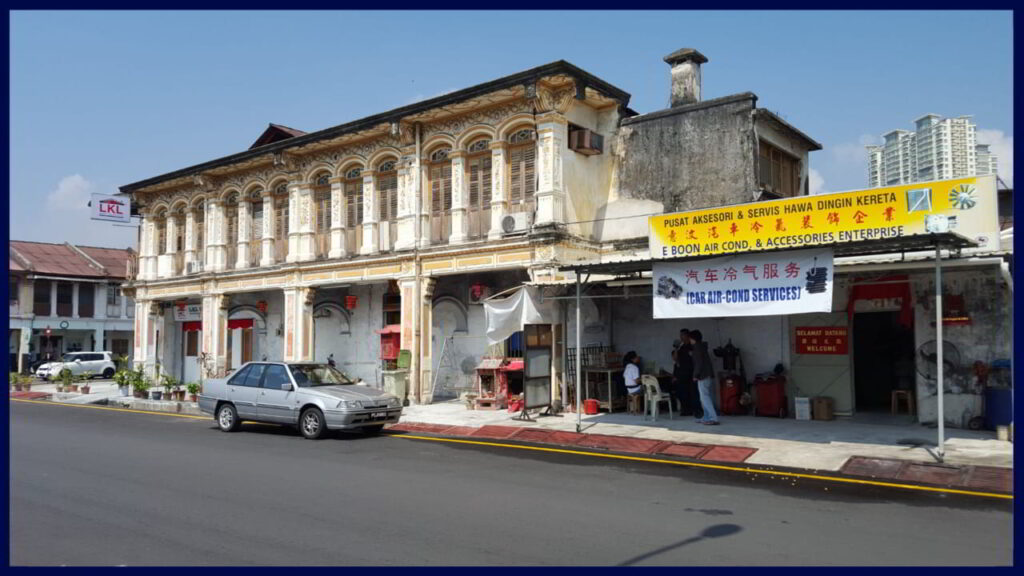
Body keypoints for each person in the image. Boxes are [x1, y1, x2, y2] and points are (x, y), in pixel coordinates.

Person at [689, 330, 719, 425]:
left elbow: (699, 363)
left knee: (705, 397)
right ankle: (706, 417)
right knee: (705, 397)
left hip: (703, 376)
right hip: (707, 374)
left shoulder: (697, 348)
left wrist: (695, 375)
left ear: (692, 338)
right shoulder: (702, 347)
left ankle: (713, 417)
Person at [673, 329, 697, 417]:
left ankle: (692, 409)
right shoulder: (681, 347)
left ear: (687, 336)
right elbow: (675, 359)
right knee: (681, 392)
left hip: (691, 372)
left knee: (691, 392)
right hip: (682, 373)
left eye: (682, 335)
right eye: (680, 335)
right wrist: (676, 348)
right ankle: (685, 409)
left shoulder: (692, 346)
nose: (681, 337)